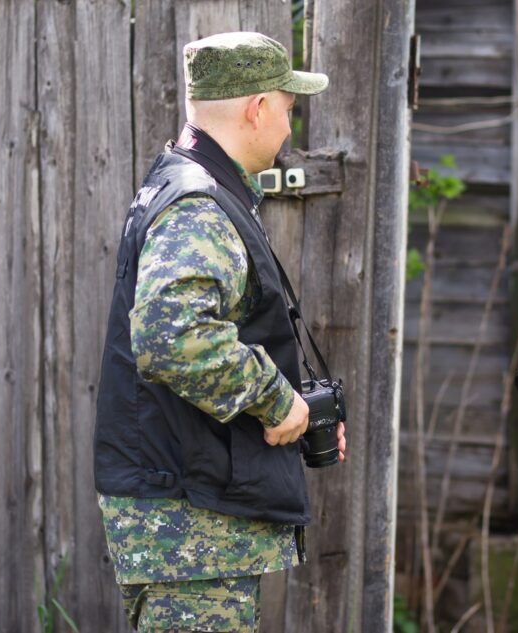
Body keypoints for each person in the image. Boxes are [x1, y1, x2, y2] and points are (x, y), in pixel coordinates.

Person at [93, 32, 346, 633]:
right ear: (257, 108)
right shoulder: (198, 204)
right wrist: (278, 399)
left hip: (194, 515)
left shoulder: (188, 185)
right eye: (288, 109)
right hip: (190, 524)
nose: (289, 127)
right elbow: (171, 332)